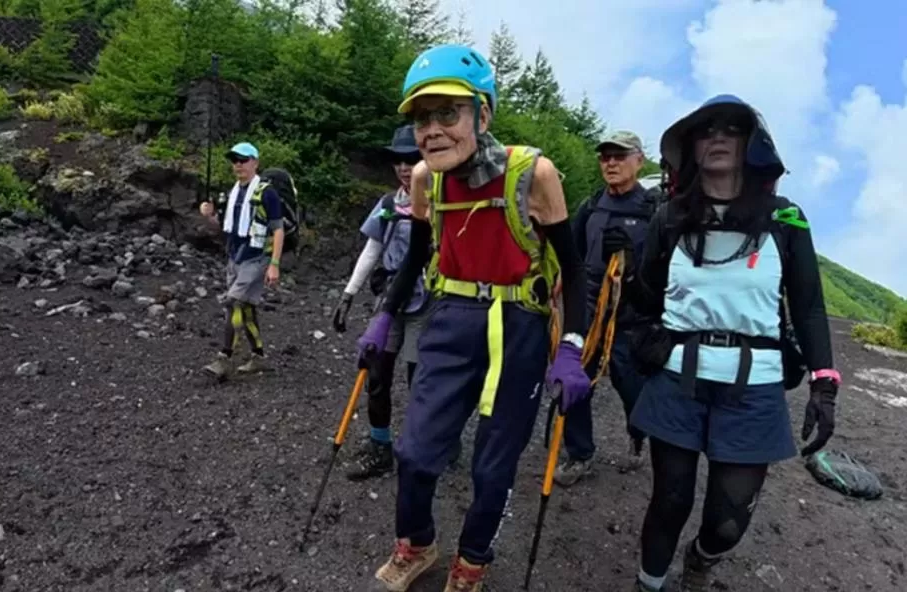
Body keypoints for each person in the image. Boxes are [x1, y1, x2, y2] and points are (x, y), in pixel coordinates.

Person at [356, 44, 592, 591]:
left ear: (482, 115)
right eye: (421, 117)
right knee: (414, 452)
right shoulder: (424, 180)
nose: (431, 129)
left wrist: (572, 347)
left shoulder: (534, 174)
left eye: (447, 113)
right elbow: (417, 256)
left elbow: (575, 271)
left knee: (492, 467)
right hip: (451, 316)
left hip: (519, 326)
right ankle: (416, 545)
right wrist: (384, 317)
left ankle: (472, 563)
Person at [621, 95, 840, 592]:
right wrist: (641, 352)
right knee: (669, 501)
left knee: (727, 522)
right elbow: (642, 297)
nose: (718, 137)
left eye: (731, 129)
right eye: (706, 130)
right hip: (678, 380)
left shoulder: (787, 220)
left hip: (755, 389)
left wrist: (824, 384)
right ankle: (648, 585)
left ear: (751, 144)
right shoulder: (671, 218)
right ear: (692, 148)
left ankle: (702, 558)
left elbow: (807, 305)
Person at [332, 125, 446, 481]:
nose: (404, 166)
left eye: (411, 158)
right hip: (389, 299)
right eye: (398, 159)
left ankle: (426, 445)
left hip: (427, 300)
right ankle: (380, 446)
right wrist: (349, 294)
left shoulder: (442, 203)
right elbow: (373, 250)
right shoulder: (387, 205)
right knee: (377, 373)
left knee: (419, 380)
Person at [554, 130, 659, 487]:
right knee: (576, 378)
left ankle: (637, 433)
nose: (611, 163)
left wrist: (631, 258)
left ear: (639, 160)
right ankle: (580, 453)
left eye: (619, 156)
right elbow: (572, 249)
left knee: (630, 385)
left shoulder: (653, 209)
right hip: (586, 309)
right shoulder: (593, 204)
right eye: (605, 157)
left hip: (631, 315)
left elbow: (662, 268)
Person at [199, 142, 285, 379]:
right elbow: (225, 227)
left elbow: (278, 230)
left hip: (257, 258)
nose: (238, 164)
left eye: (243, 160)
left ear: (255, 163)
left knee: (233, 303)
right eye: (235, 160)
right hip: (234, 258)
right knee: (246, 307)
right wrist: (209, 217)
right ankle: (259, 357)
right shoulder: (232, 193)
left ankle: (224, 359)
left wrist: (274, 265)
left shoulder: (267, 193)